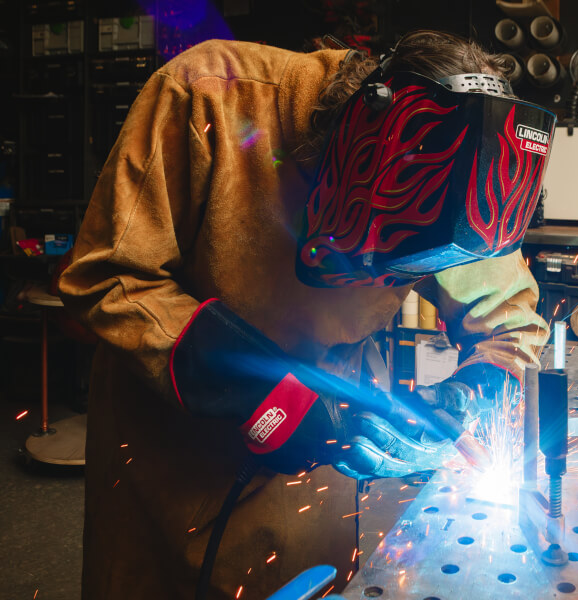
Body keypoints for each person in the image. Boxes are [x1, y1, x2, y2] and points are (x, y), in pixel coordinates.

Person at [58, 30, 553, 599]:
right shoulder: (207, 95)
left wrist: (467, 396)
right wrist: (269, 397)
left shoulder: (462, 177)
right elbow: (110, 278)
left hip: (318, 469)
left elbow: (512, 324)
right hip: (167, 456)